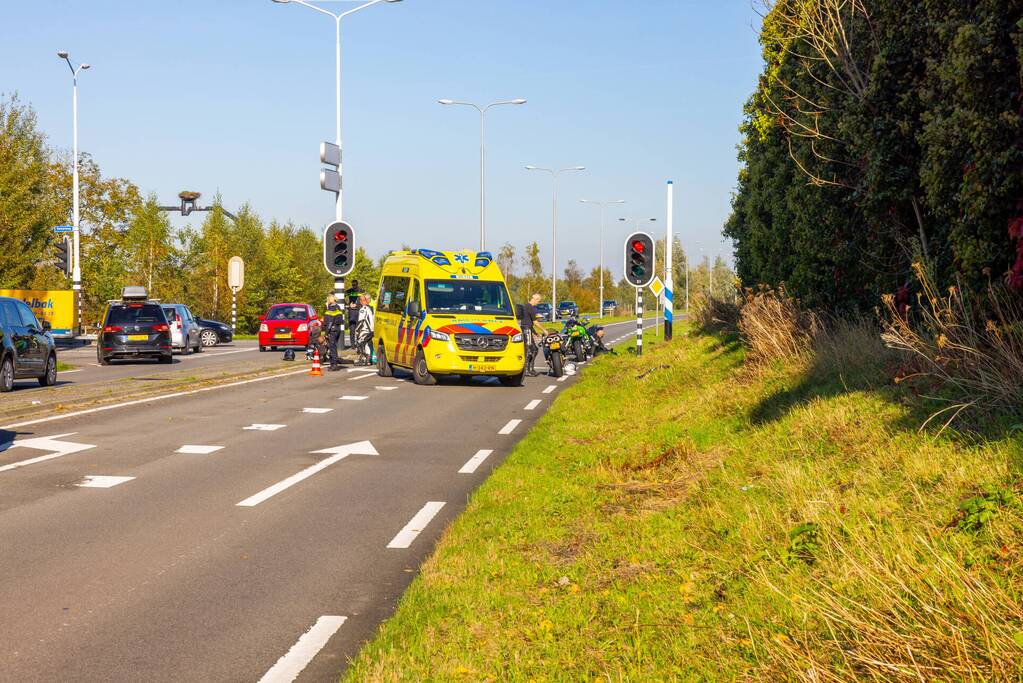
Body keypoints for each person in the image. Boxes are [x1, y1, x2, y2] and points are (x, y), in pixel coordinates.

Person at [519, 293, 545, 376]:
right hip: (526, 330)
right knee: (531, 350)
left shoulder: (526, 306)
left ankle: (530, 369)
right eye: (538, 301)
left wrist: (535, 332)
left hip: (527, 329)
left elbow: (528, 321)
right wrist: (544, 330)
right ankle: (527, 370)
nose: (538, 303)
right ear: (535, 299)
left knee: (533, 349)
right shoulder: (530, 308)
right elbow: (535, 322)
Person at [322, 293, 344, 371]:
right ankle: (334, 362)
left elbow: (329, 323)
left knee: (332, 348)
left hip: (332, 331)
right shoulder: (338, 308)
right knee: (333, 347)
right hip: (337, 330)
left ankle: (334, 364)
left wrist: (326, 333)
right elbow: (341, 320)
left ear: (330, 300)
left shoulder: (330, 309)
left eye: (327, 300)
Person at [355, 293, 375, 365]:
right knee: (366, 344)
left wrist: (357, 331)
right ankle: (368, 360)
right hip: (371, 330)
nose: (360, 301)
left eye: (361, 300)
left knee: (360, 343)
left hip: (364, 330)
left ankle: (364, 359)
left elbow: (361, 321)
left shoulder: (363, 309)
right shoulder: (369, 308)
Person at [345, 279, 363, 350]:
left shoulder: (361, 291)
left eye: (355, 285)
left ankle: (359, 344)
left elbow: (365, 299)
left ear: (357, 284)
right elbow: (340, 297)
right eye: (352, 285)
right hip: (351, 311)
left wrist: (358, 305)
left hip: (359, 311)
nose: (353, 286)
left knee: (359, 329)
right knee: (352, 329)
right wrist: (348, 305)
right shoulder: (349, 291)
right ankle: (352, 345)